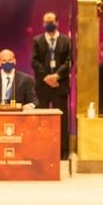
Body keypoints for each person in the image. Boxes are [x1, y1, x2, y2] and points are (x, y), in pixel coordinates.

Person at [31, 12, 72, 159]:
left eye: (51, 21)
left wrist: (57, 76)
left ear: (57, 22)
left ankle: (63, 151)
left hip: (60, 86)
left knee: (62, 120)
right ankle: (41, 149)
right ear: (43, 23)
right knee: (41, 119)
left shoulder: (66, 40)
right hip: (42, 87)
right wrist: (46, 77)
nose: (49, 23)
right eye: (46, 21)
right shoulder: (37, 40)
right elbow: (34, 61)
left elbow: (69, 61)